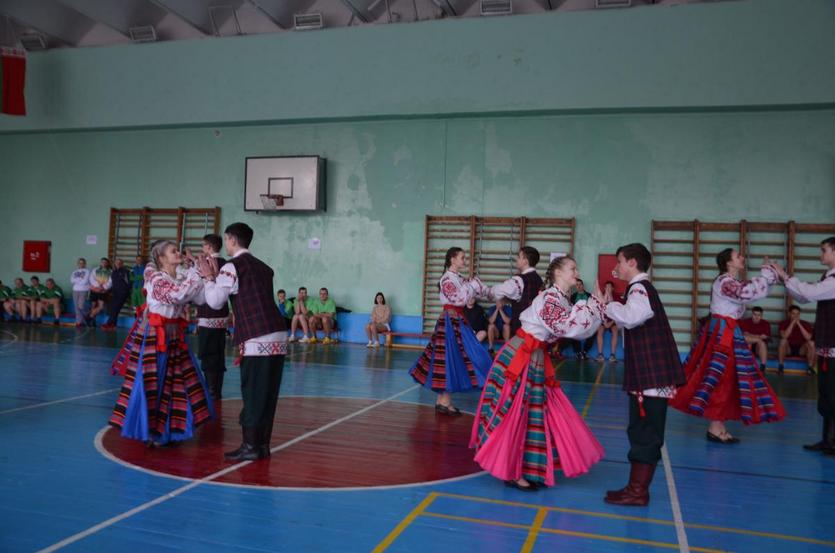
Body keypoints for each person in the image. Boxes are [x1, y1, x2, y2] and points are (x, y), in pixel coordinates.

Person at [471, 256, 605, 491]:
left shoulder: (561, 299)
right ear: (558, 273)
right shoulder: (550, 299)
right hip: (522, 355)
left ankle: (527, 467)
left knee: (532, 412)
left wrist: (594, 306)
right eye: (572, 268)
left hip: (534, 357)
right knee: (516, 411)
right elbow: (567, 327)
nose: (576, 272)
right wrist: (592, 305)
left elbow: (578, 329)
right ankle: (511, 470)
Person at [670, 248, 785, 445]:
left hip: (727, 332)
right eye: (738, 256)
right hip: (723, 334)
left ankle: (718, 425)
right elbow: (745, 293)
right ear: (728, 263)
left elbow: (750, 292)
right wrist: (766, 274)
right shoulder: (724, 282)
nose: (742, 258)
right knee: (721, 377)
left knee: (727, 377)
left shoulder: (730, 281)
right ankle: (715, 427)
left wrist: (769, 275)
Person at [108, 240, 214, 446]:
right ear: (162, 258)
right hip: (156, 335)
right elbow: (176, 295)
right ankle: (152, 430)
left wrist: (203, 274)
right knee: (154, 382)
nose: (178, 253)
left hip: (173, 335)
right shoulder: (156, 278)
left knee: (175, 381)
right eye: (173, 251)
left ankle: (169, 430)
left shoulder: (180, 275)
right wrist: (195, 273)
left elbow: (201, 299)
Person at [603, 243, 685, 507]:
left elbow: (634, 316)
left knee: (645, 431)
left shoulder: (638, 288)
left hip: (651, 375)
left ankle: (638, 491)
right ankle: (635, 488)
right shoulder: (638, 288)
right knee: (641, 429)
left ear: (632, 263)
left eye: (620, 261)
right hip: (649, 374)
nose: (616, 267)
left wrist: (608, 306)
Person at [198, 222, 288, 461]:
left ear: (232, 240)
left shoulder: (232, 266)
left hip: (257, 335)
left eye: (226, 240)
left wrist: (209, 278)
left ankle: (250, 446)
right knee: (267, 392)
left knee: (253, 390)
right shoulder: (263, 267)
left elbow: (216, 301)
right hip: (278, 332)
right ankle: (261, 445)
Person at [770, 237, 835, 455]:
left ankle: (832, 442)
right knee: (826, 395)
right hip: (828, 346)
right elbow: (804, 298)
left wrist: (786, 275)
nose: (821, 254)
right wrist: (782, 279)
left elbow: (809, 293)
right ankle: (828, 440)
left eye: (824, 250)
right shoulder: (828, 277)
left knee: (832, 395)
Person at [409, 247, 493, 415]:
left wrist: (482, 288)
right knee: (452, 358)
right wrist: (472, 285)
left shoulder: (458, 278)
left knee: (451, 359)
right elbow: (460, 298)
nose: (464, 260)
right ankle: (445, 401)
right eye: (462, 257)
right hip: (450, 321)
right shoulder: (447, 280)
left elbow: (475, 292)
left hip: (456, 321)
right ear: (453, 259)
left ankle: (442, 401)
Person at [195, 234, 230, 401]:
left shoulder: (205, 264)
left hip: (208, 314)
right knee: (217, 352)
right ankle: (216, 390)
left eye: (203, 246)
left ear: (208, 247)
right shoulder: (226, 264)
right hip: (222, 315)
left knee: (207, 353)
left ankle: (211, 391)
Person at [489, 247, 543, 337]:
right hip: (536, 329)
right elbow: (525, 298)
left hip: (521, 328)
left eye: (519, 257)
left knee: (519, 350)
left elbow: (499, 291)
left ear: (525, 261)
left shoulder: (519, 280)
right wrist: (507, 300)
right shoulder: (539, 279)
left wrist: (487, 291)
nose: (516, 259)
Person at [777, 305, 816, 375]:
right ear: (789, 314)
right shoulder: (783, 323)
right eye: (793, 313)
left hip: (801, 349)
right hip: (788, 349)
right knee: (783, 341)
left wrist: (799, 324)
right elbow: (784, 336)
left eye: (797, 314)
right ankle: (781, 367)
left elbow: (808, 338)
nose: (795, 316)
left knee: (811, 343)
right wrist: (792, 323)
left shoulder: (805, 324)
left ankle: (810, 368)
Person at [739, 306, 771, 372]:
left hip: (758, 348)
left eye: (759, 315)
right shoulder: (746, 321)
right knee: (745, 339)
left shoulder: (766, 323)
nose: (756, 317)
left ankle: (762, 367)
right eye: (755, 314)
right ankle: (745, 366)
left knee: (762, 343)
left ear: (762, 315)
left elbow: (766, 336)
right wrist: (759, 337)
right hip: (748, 344)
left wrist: (754, 336)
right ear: (752, 314)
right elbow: (745, 334)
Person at [103, 259, 131, 330]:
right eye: (117, 263)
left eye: (119, 263)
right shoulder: (113, 272)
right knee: (114, 309)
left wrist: (126, 292)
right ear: (115, 264)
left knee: (115, 308)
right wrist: (103, 288)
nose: (118, 264)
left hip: (122, 293)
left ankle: (109, 323)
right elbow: (110, 283)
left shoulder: (126, 272)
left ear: (122, 264)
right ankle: (113, 325)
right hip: (114, 293)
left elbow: (129, 283)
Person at [571, 279, 595, 359]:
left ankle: (584, 351)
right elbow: (571, 308)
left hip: (587, 319)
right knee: (573, 332)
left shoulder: (589, 295)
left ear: (583, 285)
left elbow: (593, 307)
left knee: (593, 332)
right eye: (577, 285)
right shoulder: (573, 296)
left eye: (580, 284)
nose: (578, 286)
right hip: (577, 320)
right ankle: (578, 352)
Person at [596, 281, 619, 362]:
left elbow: (618, 313)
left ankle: (612, 355)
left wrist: (611, 323)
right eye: (606, 287)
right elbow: (599, 311)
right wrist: (605, 323)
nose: (608, 289)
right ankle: (600, 355)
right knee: (600, 331)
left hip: (613, 320)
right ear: (604, 288)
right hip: (603, 320)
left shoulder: (617, 297)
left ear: (612, 288)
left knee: (615, 331)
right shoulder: (601, 296)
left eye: (610, 287)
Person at [88, 257, 112, 326]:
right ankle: (92, 321)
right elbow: (91, 279)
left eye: (105, 262)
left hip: (103, 291)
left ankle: (90, 316)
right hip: (95, 290)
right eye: (102, 262)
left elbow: (110, 281)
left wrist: (103, 287)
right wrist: (97, 287)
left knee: (101, 307)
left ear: (107, 263)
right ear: (100, 263)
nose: (103, 263)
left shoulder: (110, 271)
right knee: (93, 306)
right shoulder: (95, 270)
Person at [70, 258, 91, 327]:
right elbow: (71, 280)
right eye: (79, 263)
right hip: (75, 290)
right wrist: (79, 280)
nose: (81, 264)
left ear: (85, 264)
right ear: (78, 264)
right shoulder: (74, 272)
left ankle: (88, 313)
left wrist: (77, 280)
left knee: (81, 305)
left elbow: (84, 282)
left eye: (82, 263)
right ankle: (79, 322)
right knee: (76, 307)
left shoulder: (87, 271)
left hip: (83, 290)